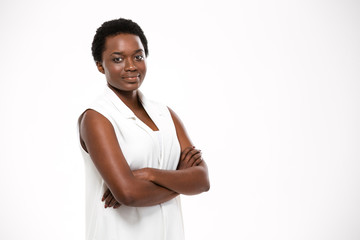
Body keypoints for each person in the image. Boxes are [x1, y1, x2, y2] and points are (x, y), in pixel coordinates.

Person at [78, 18, 210, 240]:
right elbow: (128, 193)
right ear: (101, 66)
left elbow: (202, 181)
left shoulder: (166, 115)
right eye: (118, 59)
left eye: (138, 56)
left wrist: (149, 174)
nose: (131, 66)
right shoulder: (97, 118)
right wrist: (182, 181)